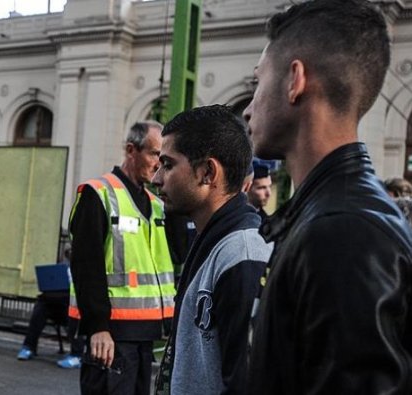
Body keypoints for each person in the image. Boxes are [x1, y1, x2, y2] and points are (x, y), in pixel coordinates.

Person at [243, 0, 412, 393]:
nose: (248, 110)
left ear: (294, 80)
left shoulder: (343, 234)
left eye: (257, 83)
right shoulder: (334, 216)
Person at [151, 105, 273, 394]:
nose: (156, 178)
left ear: (207, 172)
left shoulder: (242, 254)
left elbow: (247, 382)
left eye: (168, 165)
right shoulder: (216, 241)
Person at [68, 121, 175, 395]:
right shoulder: (98, 194)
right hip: (112, 336)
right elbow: (86, 267)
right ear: (131, 150)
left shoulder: (157, 204)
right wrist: (98, 327)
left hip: (147, 336)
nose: (158, 165)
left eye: (164, 160)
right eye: (154, 155)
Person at [16, 248, 85, 369]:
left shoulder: (85, 270)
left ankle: (77, 355)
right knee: (42, 304)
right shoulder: (62, 269)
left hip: (75, 307)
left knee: (74, 310)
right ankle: (29, 347)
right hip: (59, 304)